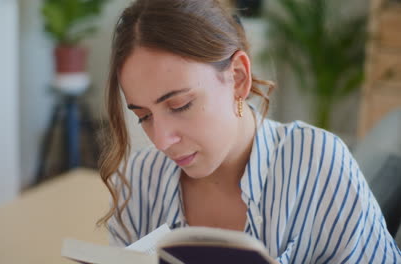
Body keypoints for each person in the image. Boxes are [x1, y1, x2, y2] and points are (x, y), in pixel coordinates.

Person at [96, 0, 401, 263]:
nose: (161, 140)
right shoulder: (139, 182)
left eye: (180, 105)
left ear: (239, 78)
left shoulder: (318, 164)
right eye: (144, 116)